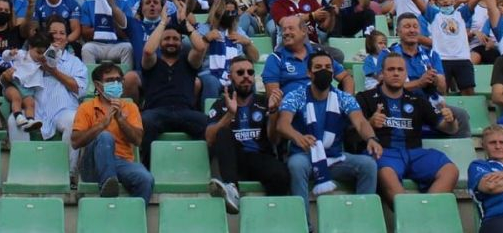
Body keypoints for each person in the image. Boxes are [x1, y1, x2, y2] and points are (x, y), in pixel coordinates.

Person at [276, 50, 382, 218]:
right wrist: (298, 137)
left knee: (368, 165)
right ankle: (304, 224)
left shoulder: (343, 98)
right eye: (318, 67)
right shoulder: (295, 95)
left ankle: (361, 220)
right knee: (296, 165)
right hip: (305, 156)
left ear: (333, 72)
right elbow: (282, 124)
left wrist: (371, 138)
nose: (324, 71)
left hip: (335, 157)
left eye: (328, 67)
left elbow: (360, 122)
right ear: (309, 73)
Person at [358, 53, 460, 205]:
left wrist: (450, 121)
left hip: (414, 153)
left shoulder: (417, 100)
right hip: (383, 153)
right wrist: (370, 123)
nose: (396, 73)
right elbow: (352, 131)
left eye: (400, 69)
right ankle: (411, 215)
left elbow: (449, 129)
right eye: (391, 69)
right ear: (382, 74)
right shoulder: (364, 98)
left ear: (406, 74)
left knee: (450, 170)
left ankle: (426, 212)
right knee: (386, 174)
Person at [205, 56, 289, 213]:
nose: (246, 76)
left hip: (259, 157)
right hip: (233, 160)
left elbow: (274, 140)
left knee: (281, 174)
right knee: (222, 131)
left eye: (250, 72)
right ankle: (231, 188)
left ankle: (273, 217)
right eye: (240, 73)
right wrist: (229, 115)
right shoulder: (220, 104)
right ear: (230, 77)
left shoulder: (264, 102)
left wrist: (273, 113)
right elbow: (209, 139)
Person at [7, 31, 88, 176]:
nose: (58, 36)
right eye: (54, 33)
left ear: (67, 39)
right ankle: (22, 172)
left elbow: (80, 90)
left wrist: (53, 71)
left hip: (62, 110)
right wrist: (6, 78)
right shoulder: (27, 58)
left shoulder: (74, 62)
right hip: (33, 109)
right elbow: (11, 80)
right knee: (14, 121)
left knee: (73, 120)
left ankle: (68, 173)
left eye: (62, 33)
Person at [72, 62, 153, 200]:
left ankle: (131, 214)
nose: (115, 83)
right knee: (105, 136)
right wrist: (102, 125)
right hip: (93, 164)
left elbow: (138, 140)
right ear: (98, 85)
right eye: (110, 80)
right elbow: (75, 142)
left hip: (122, 162)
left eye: (118, 80)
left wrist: (121, 120)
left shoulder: (130, 107)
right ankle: (108, 183)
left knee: (146, 179)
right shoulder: (86, 108)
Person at [138, 11, 209, 166]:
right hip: (157, 111)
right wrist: (163, 23)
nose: (171, 42)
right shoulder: (152, 63)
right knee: (145, 121)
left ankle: (200, 168)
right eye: (166, 39)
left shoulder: (188, 62)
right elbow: (148, 50)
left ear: (181, 42)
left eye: (175, 39)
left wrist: (185, 23)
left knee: (208, 124)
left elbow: (200, 48)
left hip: (185, 112)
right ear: (159, 43)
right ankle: (147, 168)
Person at [263, 15, 353, 97]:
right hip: (293, 107)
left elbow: (346, 77)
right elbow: (274, 97)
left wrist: (348, 101)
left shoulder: (319, 55)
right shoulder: (276, 59)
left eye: (290, 28)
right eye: (284, 29)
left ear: (303, 31)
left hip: (325, 104)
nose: (286, 33)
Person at [196, 0, 260, 99]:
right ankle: (210, 109)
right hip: (211, 73)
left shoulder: (238, 31)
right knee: (211, 82)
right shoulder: (204, 30)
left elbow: (255, 58)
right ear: (218, 12)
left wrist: (247, 43)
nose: (230, 15)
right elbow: (195, 61)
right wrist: (206, 40)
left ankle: (251, 107)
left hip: (235, 74)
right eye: (227, 12)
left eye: (233, 12)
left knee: (248, 80)